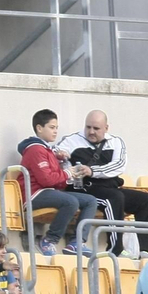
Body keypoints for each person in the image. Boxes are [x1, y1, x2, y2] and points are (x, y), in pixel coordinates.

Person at [59, 110, 148, 256]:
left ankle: (144, 250)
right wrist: (60, 157)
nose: (91, 132)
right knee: (114, 198)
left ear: (106, 128)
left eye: (96, 128)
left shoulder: (116, 142)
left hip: (109, 186)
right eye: (88, 127)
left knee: (146, 200)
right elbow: (54, 155)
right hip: (84, 189)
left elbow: (119, 165)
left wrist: (92, 171)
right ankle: (115, 249)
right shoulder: (71, 141)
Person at [17, 108, 98, 255]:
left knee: (91, 201)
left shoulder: (49, 150)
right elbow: (46, 180)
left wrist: (64, 167)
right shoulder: (36, 150)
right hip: (34, 194)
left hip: (49, 192)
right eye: (52, 127)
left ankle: (77, 242)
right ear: (39, 128)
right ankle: (49, 240)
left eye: (56, 128)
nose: (55, 131)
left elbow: (56, 182)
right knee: (70, 201)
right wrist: (67, 173)